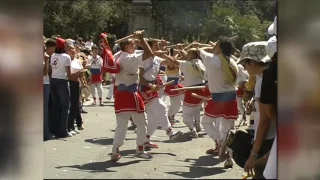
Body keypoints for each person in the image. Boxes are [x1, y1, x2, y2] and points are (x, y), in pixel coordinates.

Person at [103, 31, 153, 161]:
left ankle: (115, 149)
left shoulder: (118, 55)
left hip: (120, 94)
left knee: (121, 125)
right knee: (142, 123)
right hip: (131, 95)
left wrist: (135, 40)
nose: (135, 46)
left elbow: (140, 52)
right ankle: (140, 149)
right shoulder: (129, 59)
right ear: (126, 47)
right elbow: (149, 53)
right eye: (132, 44)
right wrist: (141, 38)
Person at [198, 37, 239, 167]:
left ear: (219, 48)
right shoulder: (233, 61)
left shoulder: (212, 59)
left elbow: (200, 50)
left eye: (216, 44)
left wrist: (209, 47)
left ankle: (220, 142)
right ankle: (229, 158)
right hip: (231, 97)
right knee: (226, 129)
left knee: (206, 122)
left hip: (218, 98)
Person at [137, 39, 183, 149]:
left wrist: (165, 53)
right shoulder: (143, 59)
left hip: (153, 89)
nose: (159, 47)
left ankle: (146, 140)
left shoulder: (157, 59)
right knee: (162, 107)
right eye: (156, 45)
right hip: (144, 89)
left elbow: (172, 62)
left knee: (154, 119)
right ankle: (170, 133)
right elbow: (140, 78)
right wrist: (150, 86)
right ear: (149, 47)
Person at [240, 41, 276, 179]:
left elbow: (265, 121)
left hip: (267, 140)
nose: (245, 68)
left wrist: (253, 154)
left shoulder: (263, 81)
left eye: (245, 64)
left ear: (252, 63)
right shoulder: (266, 77)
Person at [50, 38, 78, 138]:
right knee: (65, 106)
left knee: (56, 106)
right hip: (62, 81)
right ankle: (63, 131)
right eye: (66, 44)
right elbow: (69, 74)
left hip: (53, 80)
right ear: (63, 46)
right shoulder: (66, 57)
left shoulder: (53, 55)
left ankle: (55, 129)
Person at [66, 42, 84, 135]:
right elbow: (67, 75)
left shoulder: (77, 61)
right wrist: (74, 75)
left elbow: (81, 73)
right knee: (70, 105)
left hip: (77, 84)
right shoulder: (67, 60)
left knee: (76, 105)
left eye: (73, 49)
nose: (72, 50)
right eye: (69, 49)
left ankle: (73, 125)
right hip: (70, 83)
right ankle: (69, 126)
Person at [43, 39, 56, 141]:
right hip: (44, 84)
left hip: (46, 83)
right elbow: (45, 73)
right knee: (44, 110)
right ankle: (46, 133)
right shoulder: (45, 57)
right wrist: (47, 61)